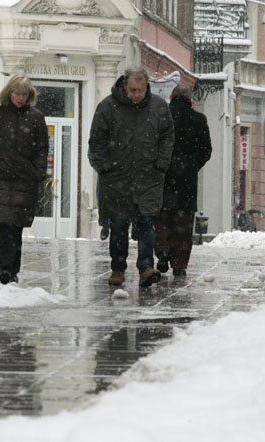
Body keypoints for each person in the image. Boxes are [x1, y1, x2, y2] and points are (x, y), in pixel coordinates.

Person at [88, 67, 175, 287]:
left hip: (148, 177)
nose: (136, 94)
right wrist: (104, 168)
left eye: (141, 89)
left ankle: (146, 267)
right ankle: (118, 268)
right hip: (117, 178)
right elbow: (96, 141)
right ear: (124, 86)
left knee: (146, 223)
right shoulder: (108, 107)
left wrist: (161, 164)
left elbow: (167, 137)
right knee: (118, 224)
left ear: (147, 87)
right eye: (133, 90)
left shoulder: (158, 107)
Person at [0, 75, 49, 284]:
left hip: (25, 180)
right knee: (4, 225)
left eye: (24, 94)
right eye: (17, 94)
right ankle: (5, 270)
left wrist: (38, 171)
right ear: (9, 93)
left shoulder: (36, 117)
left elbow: (43, 148)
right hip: (0, 178)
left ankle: (13, 269)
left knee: (16, 226)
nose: (20, 98)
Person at [153, 85, 212, 277]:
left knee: (162, 218)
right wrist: (192, 166)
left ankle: (162, 251)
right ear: (190, 99)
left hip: (163, 177)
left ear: (171, 97)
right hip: (187, 182)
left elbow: (151, 145)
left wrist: (160, 165)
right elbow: (206, 151)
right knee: (183, 224)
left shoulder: (162, 117)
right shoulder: (199, 119)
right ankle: (180, 264)